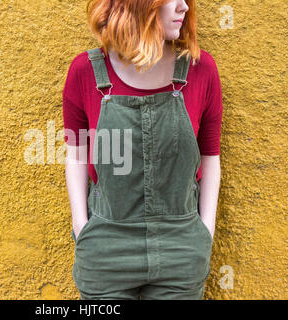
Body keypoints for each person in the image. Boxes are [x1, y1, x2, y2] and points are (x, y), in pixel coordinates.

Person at [62, 0, 222, 300]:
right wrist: (81, 227)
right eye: (173, 0)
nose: (185, 7)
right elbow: (76, 154)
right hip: (105, 248)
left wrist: (205, 233)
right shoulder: (85, 72)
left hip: (181, 248)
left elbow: (210, 157)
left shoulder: (202, 71)